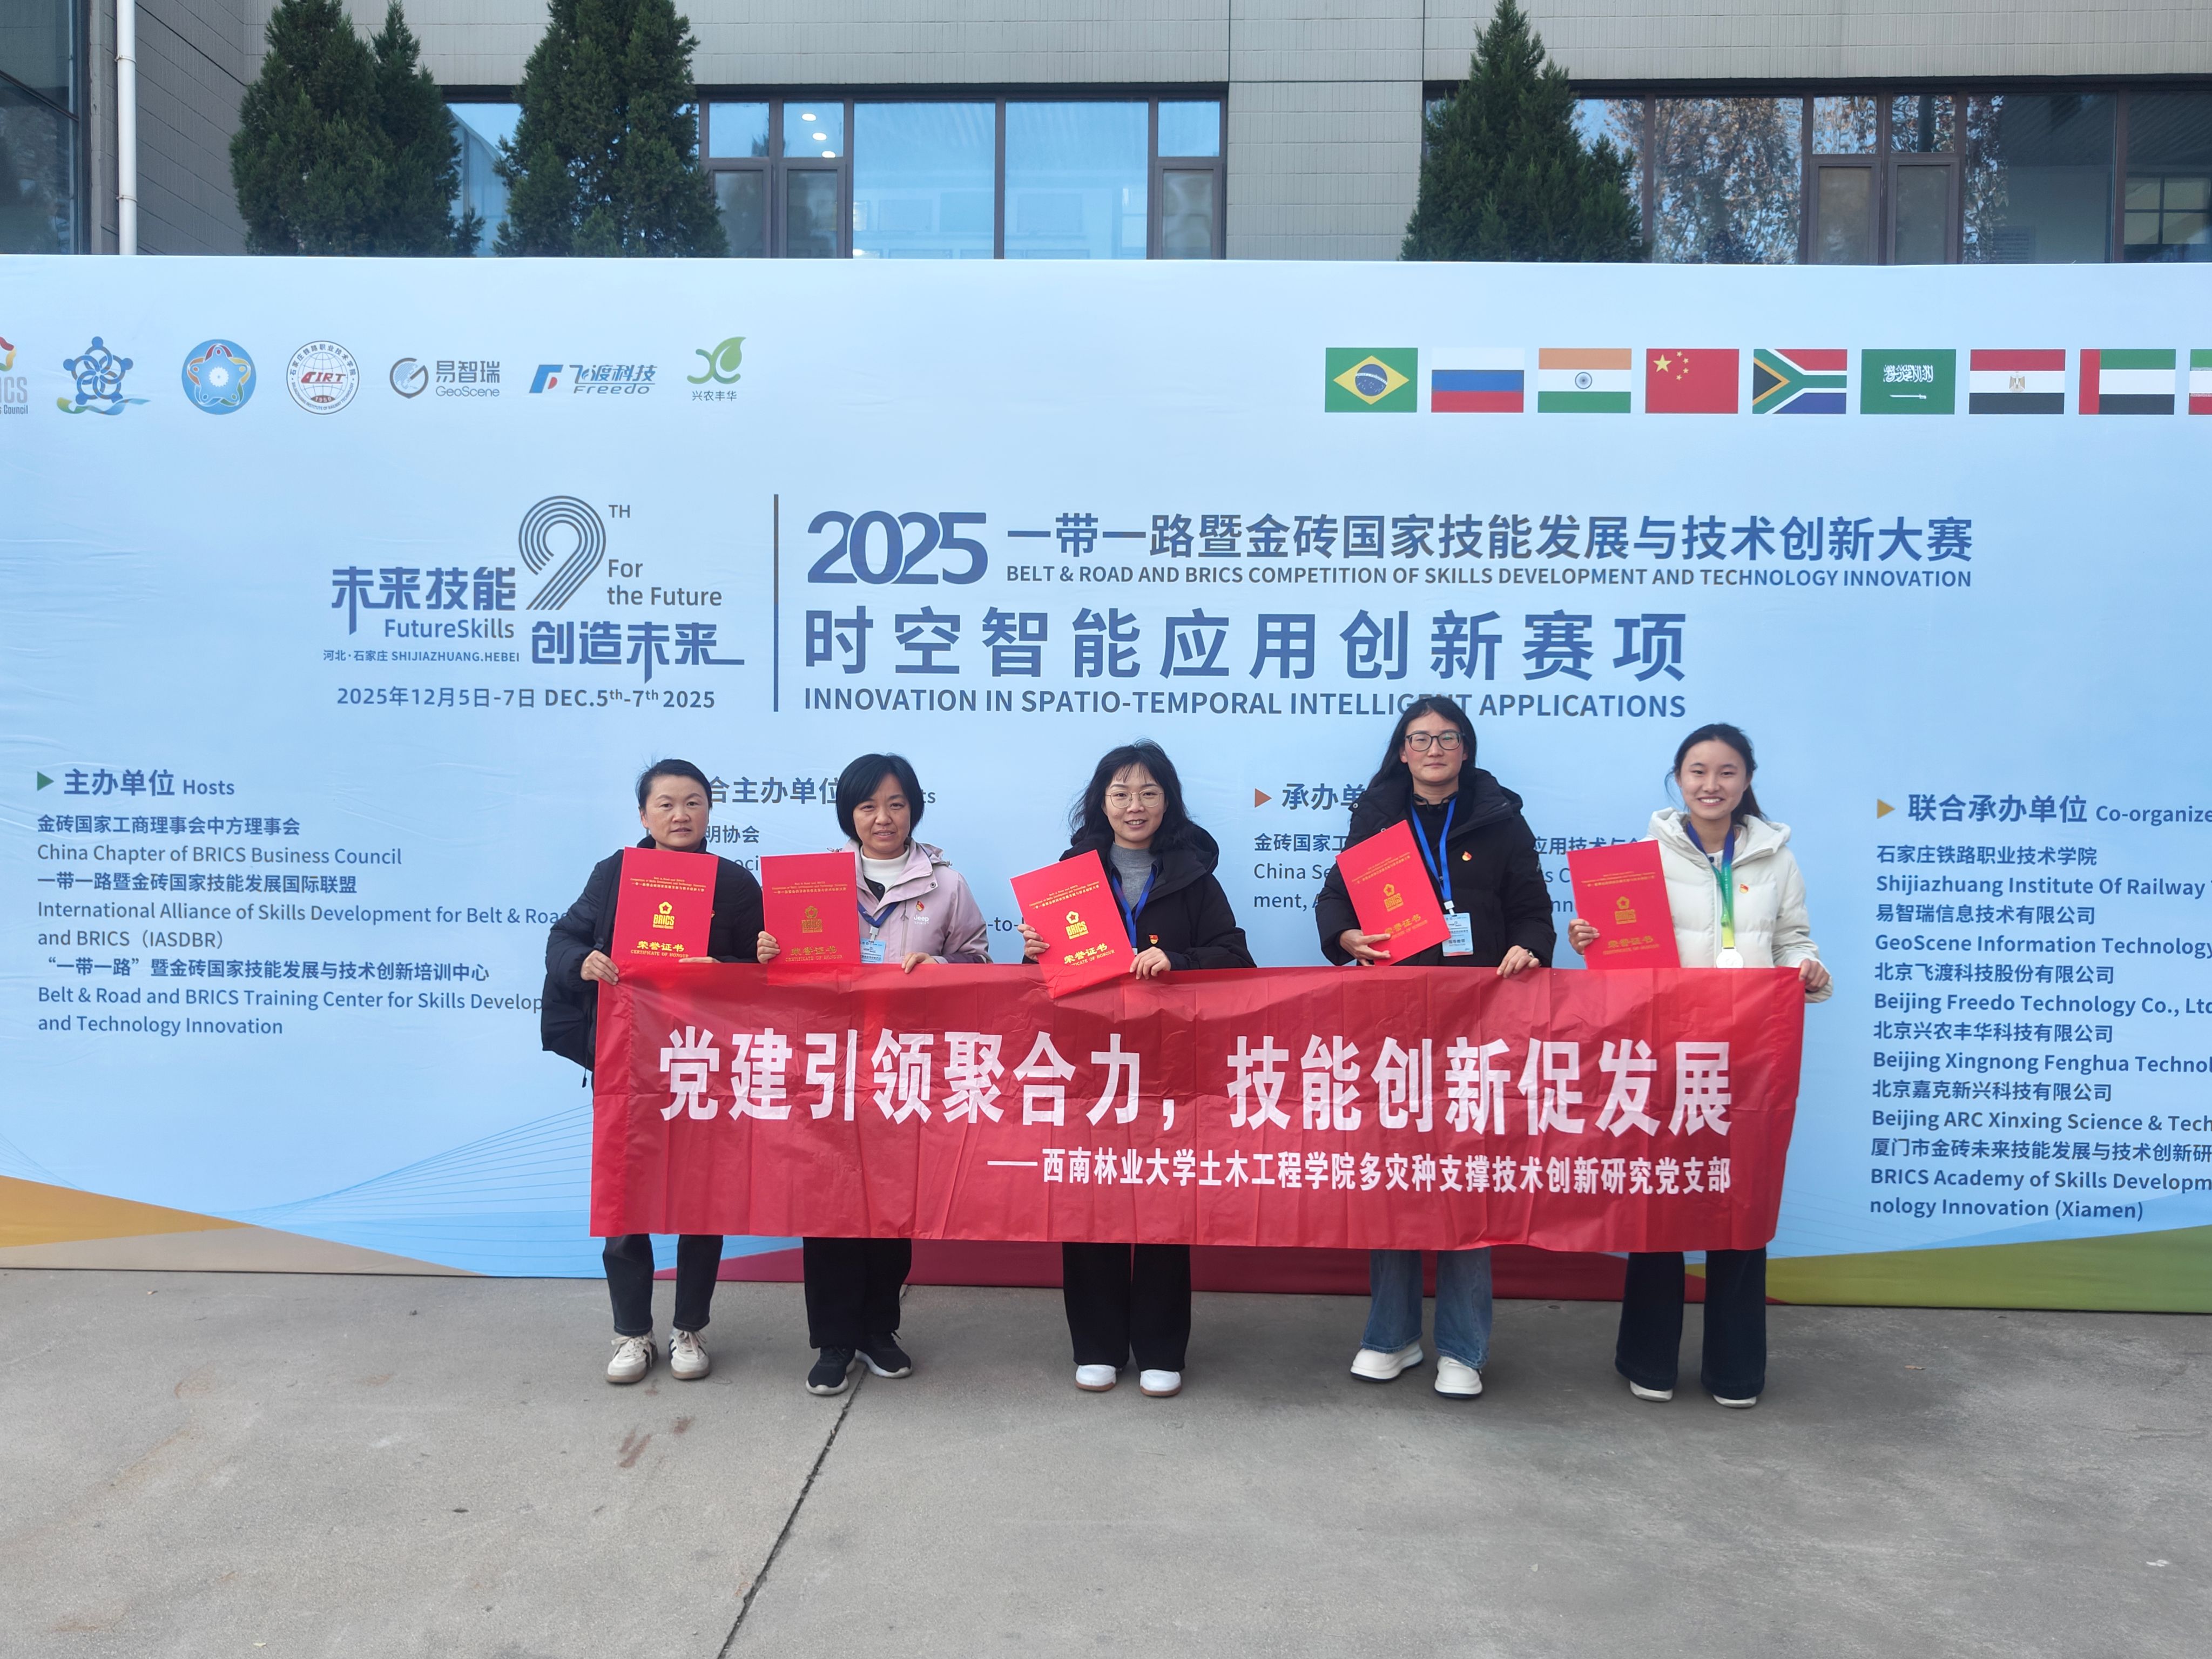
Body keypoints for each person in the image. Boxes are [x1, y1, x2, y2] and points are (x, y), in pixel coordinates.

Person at [1566, 721, 1830, 1410]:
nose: (1711, 785)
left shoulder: (1775, 859)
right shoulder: (1641, 858)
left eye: (1726, 772)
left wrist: (1807, 968)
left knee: (1738, 1202)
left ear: (1747, 780)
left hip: (1747, 1056)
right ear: (1678, 779)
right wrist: (1590, 939)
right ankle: (1647, 1359)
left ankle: (1735, 1372)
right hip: (1662, 1053)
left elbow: (1793, 940)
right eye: (1697, 771)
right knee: (1659, 1201)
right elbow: (1619, 957)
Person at [1313, 696, 1553, 1400]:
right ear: (1402, 751)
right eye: (1420, 739)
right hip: (1395, 1027)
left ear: (1465, 749)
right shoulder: (1376, 818)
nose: (1434, 749)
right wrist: (1346, 937)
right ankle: (1390, 1336)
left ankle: (1462, 1348)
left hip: (1480, 1026)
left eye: (1447, 738)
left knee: (1466, 1182)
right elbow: (1335, 899)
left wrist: (1527, 947)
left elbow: (1534, 911)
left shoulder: (1501, 820)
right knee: (1396, 1177)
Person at [1019, 741, 1253, 1398]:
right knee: (1089, 1200)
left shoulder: (1193, 876)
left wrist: (1179, 961)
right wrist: (1033, 950)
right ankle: (1096, 1346)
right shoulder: (1068, 877)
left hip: (1168, 1070)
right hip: (1088, 1067)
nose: (1134, 805)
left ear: (1167, 802)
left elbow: (1237, 958)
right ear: (1100, 803)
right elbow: (1039, 984)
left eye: (1149, 792)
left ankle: (1160, 1348)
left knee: (1162, 1204)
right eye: (1120, 793)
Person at [757, 752, 990, 1396]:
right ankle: (834, 1340)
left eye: (895, 804)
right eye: (867, 806)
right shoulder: (813, 884)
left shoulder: (947, 885)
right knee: (828, 1204)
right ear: (849, 814)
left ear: (914, 808)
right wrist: (768, 952)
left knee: (892, 1202)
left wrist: (945, 969)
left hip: (904, 1066)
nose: (882, 817)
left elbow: (979, 962)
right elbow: (782, 981)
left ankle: (879, 1329)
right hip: (828, 1064)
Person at [543, 759, 763, 1386]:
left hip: (704, 1064)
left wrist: (726, 967)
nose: (680, 814)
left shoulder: (733, 882)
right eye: (665, 803)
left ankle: (689, 1327)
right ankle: (631, 1333)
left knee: (702, 1201)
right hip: (629, 1061)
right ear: (644, 815)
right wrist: (582, 961)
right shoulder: (615, 874)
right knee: (625, 1197)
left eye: (693, 802)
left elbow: (767, 972)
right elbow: (562, 938)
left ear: (709, 812)